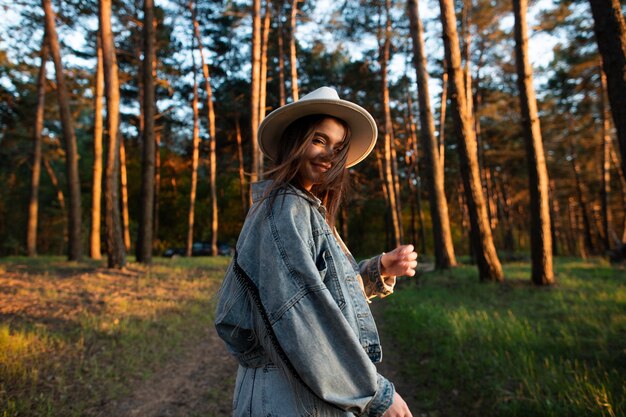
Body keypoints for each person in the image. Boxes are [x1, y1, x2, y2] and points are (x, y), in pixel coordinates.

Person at [215, 86, 416, 417]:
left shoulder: (303, 209)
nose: (328, 155)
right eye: (319, 140)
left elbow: (323, 291)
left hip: (296, 390)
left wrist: (376, 271)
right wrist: (375, 394)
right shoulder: (286, 209)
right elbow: (301, 312)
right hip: (289, 395)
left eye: (337, 148)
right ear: (294, 141)